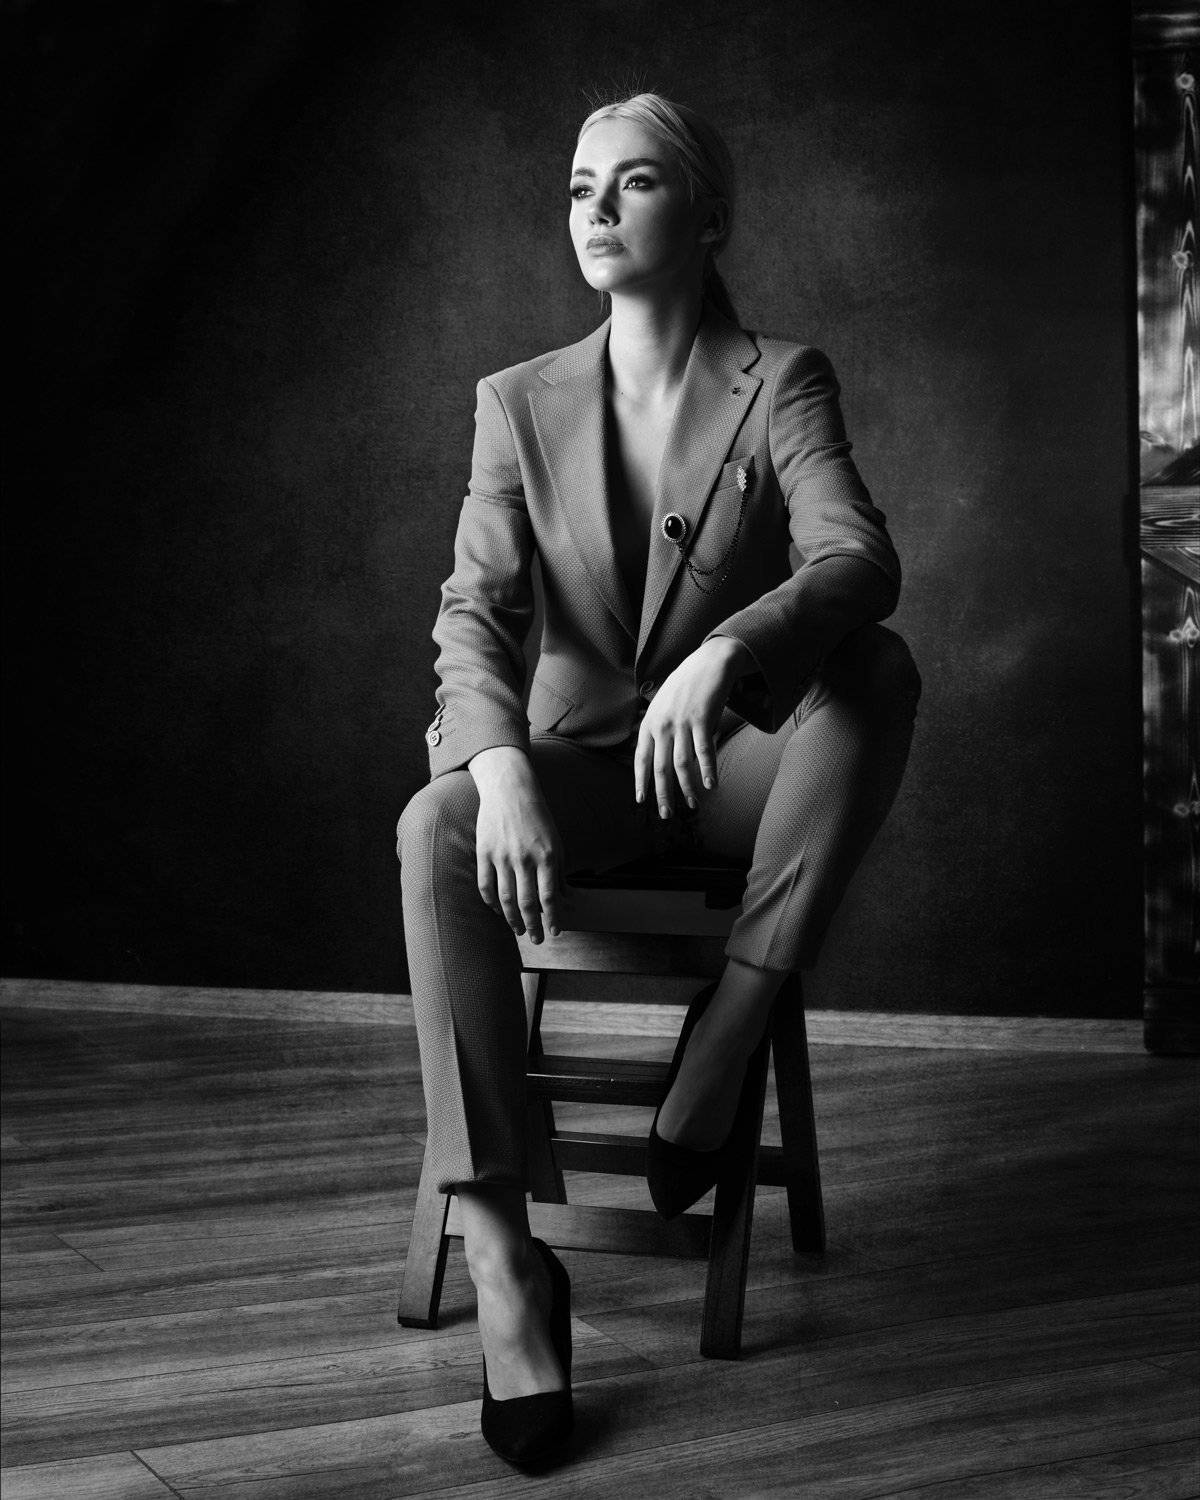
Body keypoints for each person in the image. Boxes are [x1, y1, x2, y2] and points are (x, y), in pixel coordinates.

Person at [397, 91, 921, 1467]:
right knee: (436, 825)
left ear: (710, 215)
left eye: (633, 182)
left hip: (731, 769)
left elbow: (857, 558)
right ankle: (509, 1267)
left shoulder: (783, 378)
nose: (596, 207)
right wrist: (502, 768)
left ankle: (731, 1027)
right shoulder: (515, 401)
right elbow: (472, 616)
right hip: (578, 768)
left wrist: (734, 650)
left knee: (875, 669)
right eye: (580, 184)